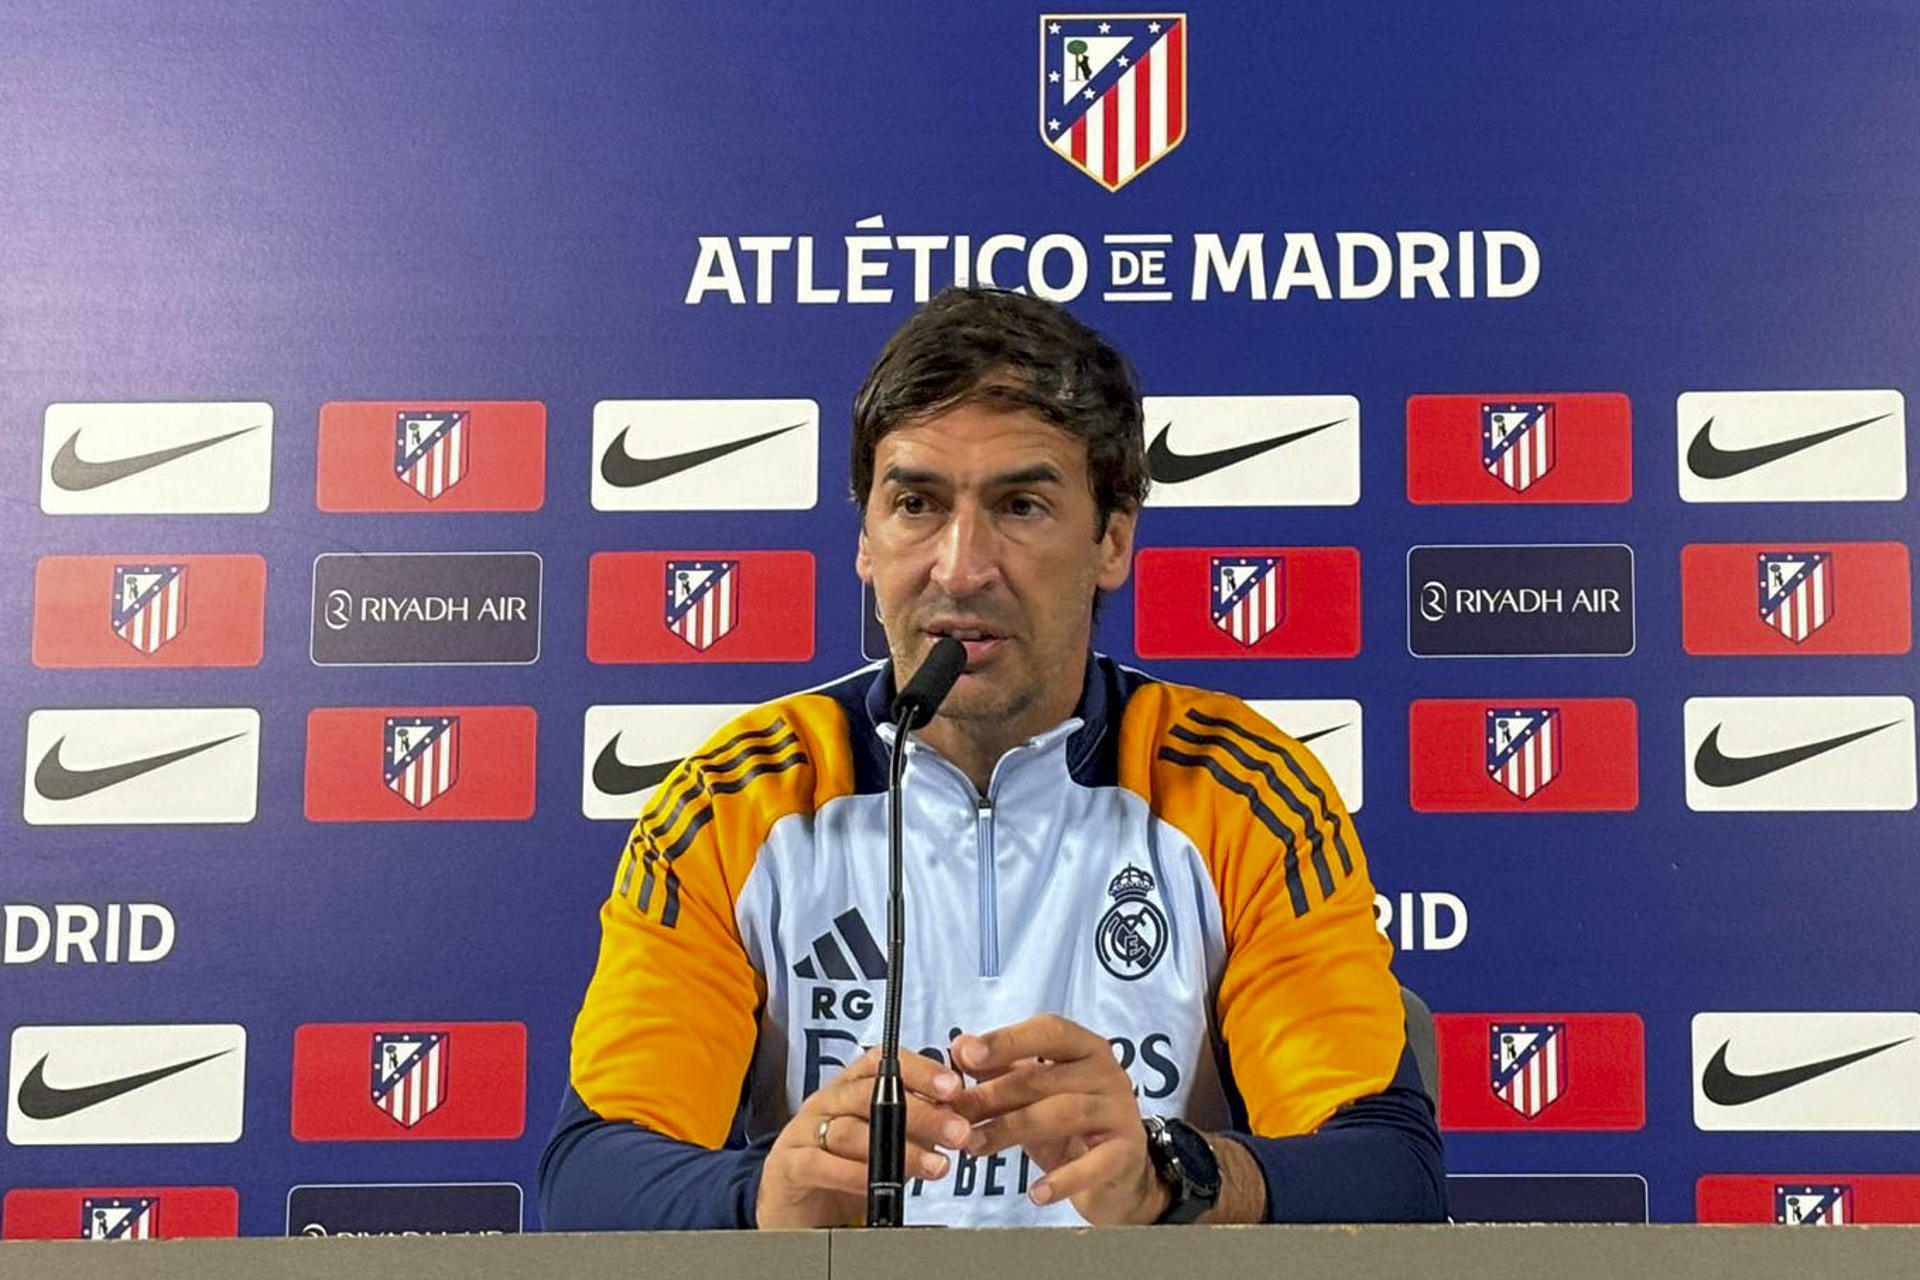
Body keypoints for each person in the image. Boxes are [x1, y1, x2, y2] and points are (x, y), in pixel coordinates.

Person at [538, 287, 1445, 1229]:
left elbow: (1388, 1176)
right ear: (865, 540)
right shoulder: (737, 800)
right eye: (916, 504)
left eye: (1020, 504)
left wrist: (1172, 1176)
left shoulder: (1240, 791)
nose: (961, 567)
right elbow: (594, 1178)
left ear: (1113, 539)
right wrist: (762, 1199)